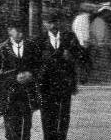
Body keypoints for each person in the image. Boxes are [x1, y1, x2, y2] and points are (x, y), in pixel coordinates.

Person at [35, 10, 83, 140]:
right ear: (45, 24)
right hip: (46, 85)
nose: (53, 26)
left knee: (63, 116)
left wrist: (71, 56)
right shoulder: (39, 40)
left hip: (64, 84)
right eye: (49, 23)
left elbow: (82, 56)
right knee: (47, 117)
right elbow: (34, 63)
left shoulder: (70, 37)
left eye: (55, 22)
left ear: (60, 22)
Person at [0, 18, 41, 140]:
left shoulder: (32, 47)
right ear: (9, 31)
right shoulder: (0, 49)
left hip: (27, 94)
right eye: (17, 31)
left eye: (22, 31)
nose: (21, 34)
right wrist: (14, 77)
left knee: (26, 128)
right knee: (11, 130)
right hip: (9, 95)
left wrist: (31, 74)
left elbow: (39, 66)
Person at [71, 4, 93, 84]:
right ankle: (84, 80)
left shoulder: (76, 19)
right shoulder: (86, 18)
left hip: (77, 43)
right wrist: (87, 42)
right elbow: (86, 31)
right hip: (84, 44)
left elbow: (73, 30)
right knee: (86, 62)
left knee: (80, 62)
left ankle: (80, 79)